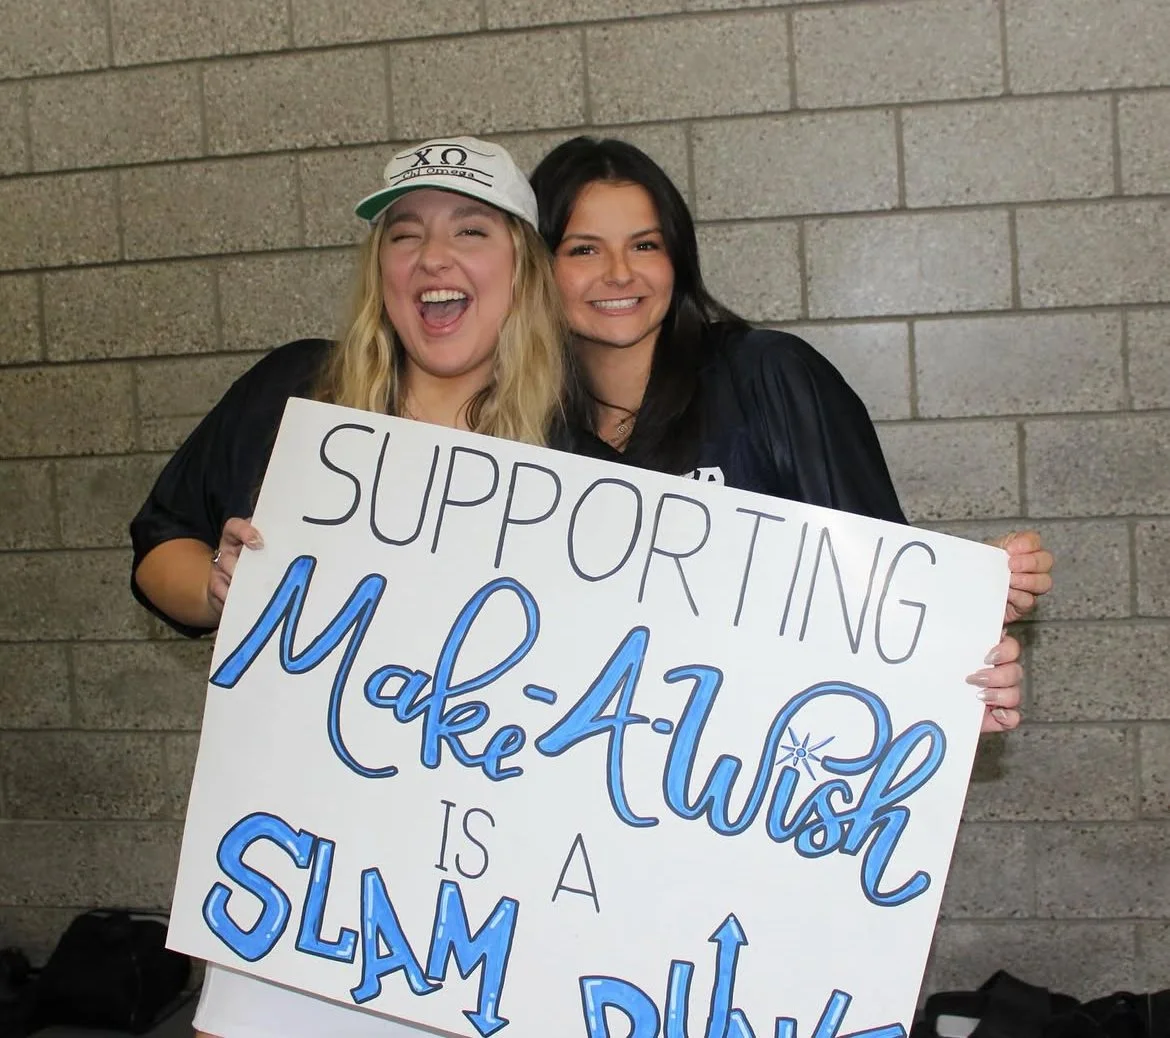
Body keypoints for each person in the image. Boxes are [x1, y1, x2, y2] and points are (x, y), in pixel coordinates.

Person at [130, 137, 565, 1037]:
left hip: (482, 905)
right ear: (381, 270)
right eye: (405, 234)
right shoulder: (298, 394)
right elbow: (158, 545)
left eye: (470, 231)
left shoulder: (575, 452)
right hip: (295, 875)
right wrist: (218, 588)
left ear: (521, 267)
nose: (433, 257)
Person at [528, 136, 1053, 733]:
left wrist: (961, 608)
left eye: (645, 244)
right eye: (584, 249)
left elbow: (875, 579)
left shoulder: (768, 375)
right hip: (596, 753)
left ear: (678, 257)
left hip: (766, 764)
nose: (620, 272)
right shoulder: (521, 429)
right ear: (538, 266)